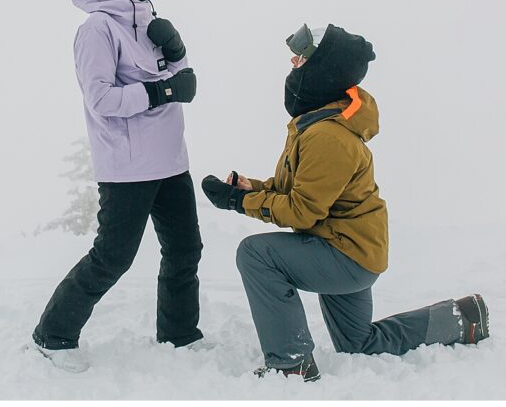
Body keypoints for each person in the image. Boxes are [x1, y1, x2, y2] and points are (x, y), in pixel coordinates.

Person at [201, 23, 488, 383]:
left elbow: (303, 211)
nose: (293, 62)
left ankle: (291, 364)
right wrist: (248, 189)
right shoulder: (319, 124)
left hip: (343, 253)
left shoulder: (328, 136)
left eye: (301, 58)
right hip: (350, 247)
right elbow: (297, 189)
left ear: (322, 70)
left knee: (255, 254)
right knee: (358, 343)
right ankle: (463, 317)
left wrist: (239, 203)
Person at [31, 0, 206, 373]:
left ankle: (180, 336)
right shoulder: (97, 30)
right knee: (113, 258)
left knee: (186, 250)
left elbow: (177, 79)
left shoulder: (147, 20)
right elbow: (102, 100)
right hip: (128, 169)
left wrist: (178, 53)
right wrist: (162, 92)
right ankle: (52, 335)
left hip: (171, 161)